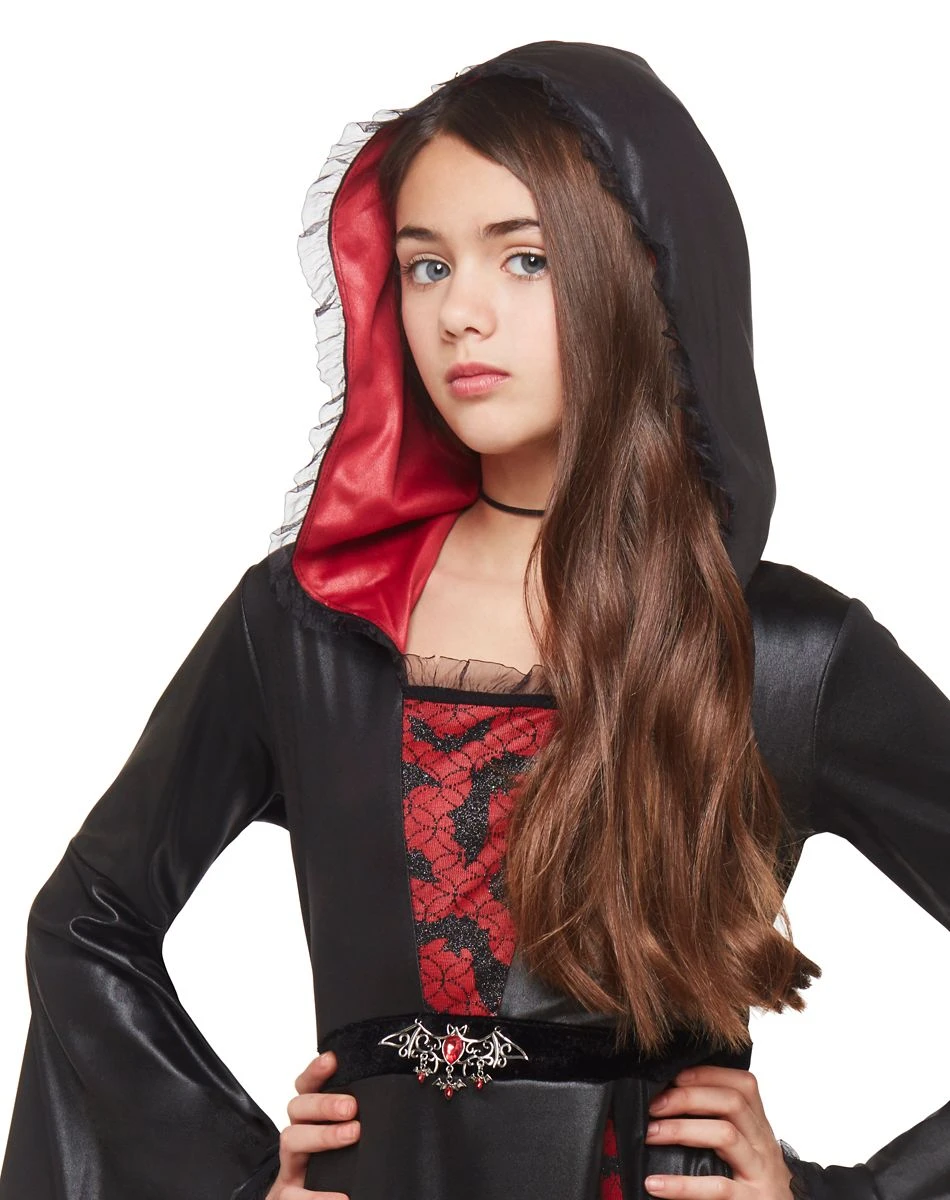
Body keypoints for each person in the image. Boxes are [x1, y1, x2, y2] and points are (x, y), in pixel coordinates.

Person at [1, 38, 948, 1200]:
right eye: (425, 266)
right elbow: (86, 919)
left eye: (524, 258)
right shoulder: (311, 626)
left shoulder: (783, 652)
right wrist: (236, 1179)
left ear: (636, 273)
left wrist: (849, 1194)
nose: (460, 313)